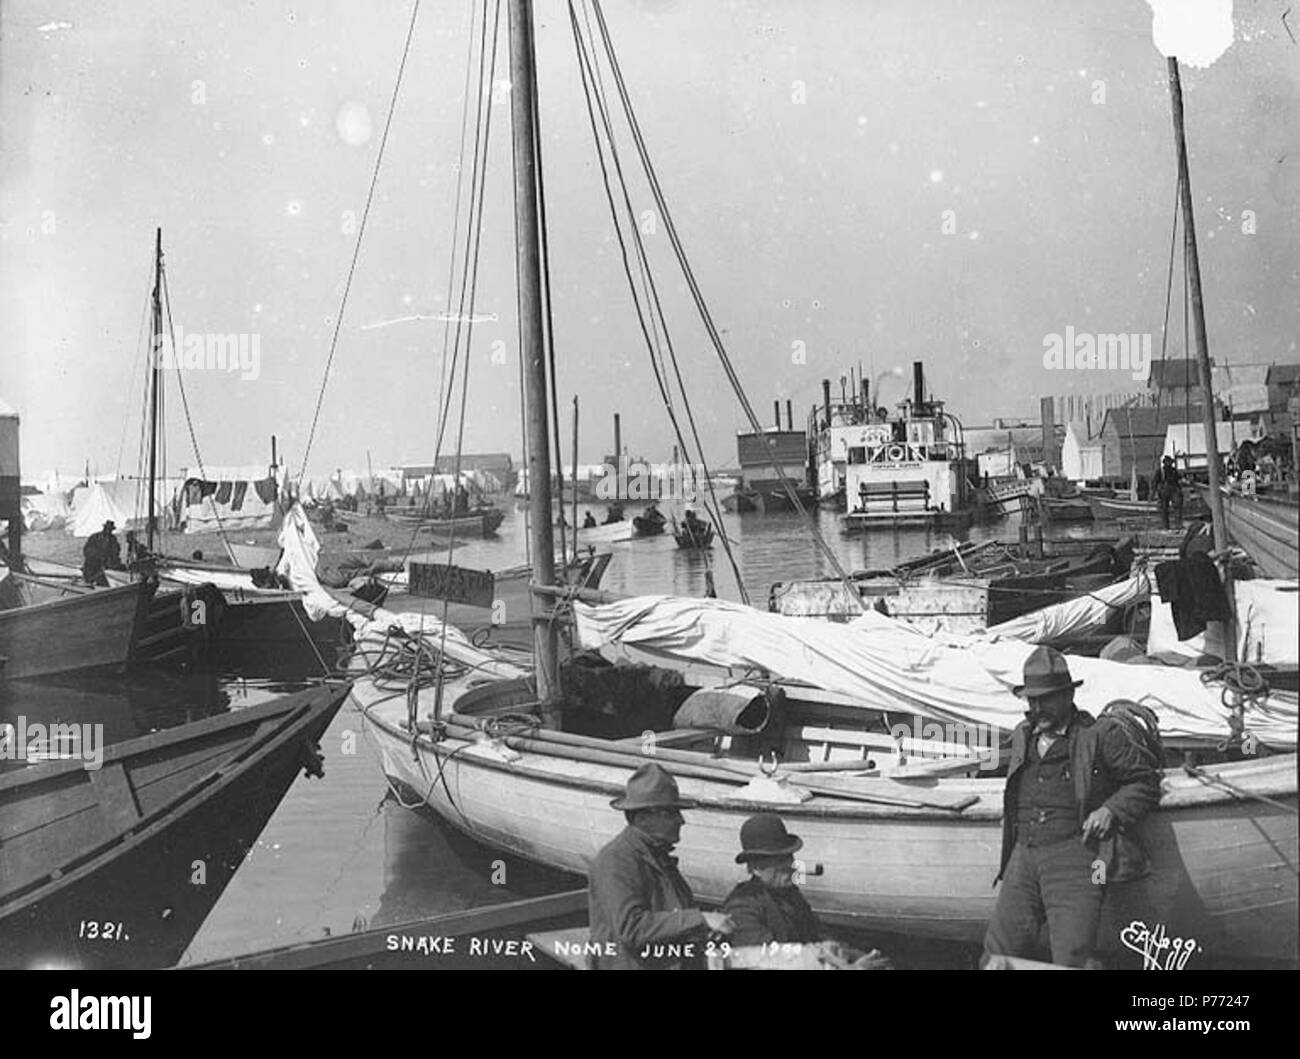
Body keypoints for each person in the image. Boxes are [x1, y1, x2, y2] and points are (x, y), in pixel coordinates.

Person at [982, 646, 1161, 968]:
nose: (1038, 707)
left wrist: (1111, 810)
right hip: (1023, 854)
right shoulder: (1024, 735)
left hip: (1080, 858)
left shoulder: (1100, 735)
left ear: (1067, 695)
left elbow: (1144, 782)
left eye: (1047, 698)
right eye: (1032, 700)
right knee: (996, 958)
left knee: (1072, 958)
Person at [587, 762, 733, 969]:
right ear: (642, 817)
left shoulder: (658, 856)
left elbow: (673, 916)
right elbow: (632, 929)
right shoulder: (616, 860)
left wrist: (704, 929)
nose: (681, 820)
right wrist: (701, 919)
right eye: (671, 813)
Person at [81, 520, 123, 585]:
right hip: (93, 565)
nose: (109, 531)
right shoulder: (95, 537)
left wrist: (111, 561)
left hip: (106, 566)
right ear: (104, 528)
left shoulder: (113, 539)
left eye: (110, 530)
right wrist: (98, 557)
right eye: (108, 529)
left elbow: (116, 551)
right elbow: (87, 551)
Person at [1153, 456, 1182, 529]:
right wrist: (1155, 492)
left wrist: (1179, 489)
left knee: (1177, 506)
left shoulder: (1174, 471)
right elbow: (1155, 482)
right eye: (1168, 462)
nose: (1169, 464)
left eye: (1170, 462)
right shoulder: (1160, 471)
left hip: (1173, 490)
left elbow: (1178, 480)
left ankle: (1178, 525)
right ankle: (1166, 526)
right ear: (1165, 463)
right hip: (1164, 491)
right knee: (1164, 509)